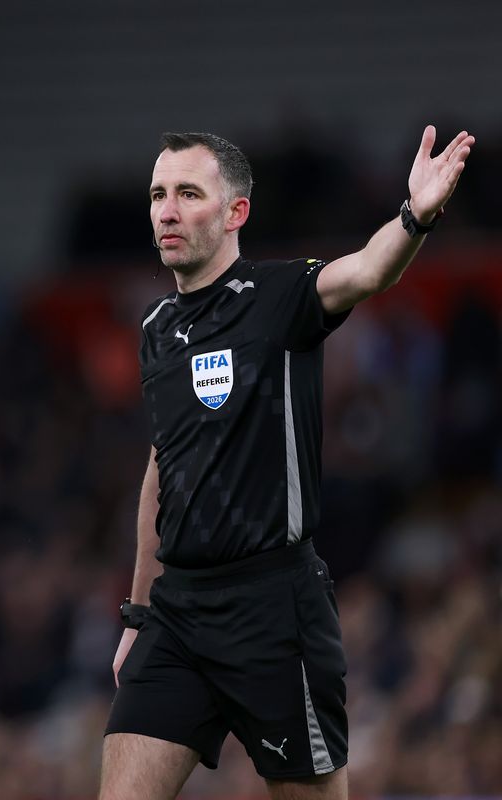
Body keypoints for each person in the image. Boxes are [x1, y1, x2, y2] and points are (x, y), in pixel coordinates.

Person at [100, 126, 473, 800]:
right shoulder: (157, 329)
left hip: (273, 611)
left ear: (235, 212)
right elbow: (165, 465)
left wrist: (416, 214)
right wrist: (137, 614)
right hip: (177, 615)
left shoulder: (280, 296)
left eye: (188, 193)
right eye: (159, 194)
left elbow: (366, 270)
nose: (167, 211)